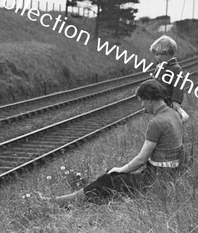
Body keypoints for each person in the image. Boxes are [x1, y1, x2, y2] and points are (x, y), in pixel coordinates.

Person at [39, 79, 184, 205]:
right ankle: (87, 199)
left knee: (108, 178)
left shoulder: (156, 123)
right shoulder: (174, 114)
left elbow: (141, 159)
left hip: (155, 179)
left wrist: (122, 169)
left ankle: (59, 202)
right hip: (169, 174)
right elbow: (185, 117)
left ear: (150, 99)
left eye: (142, 101)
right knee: (111, 176)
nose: (142, 106)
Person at [149, 35, 190, 123]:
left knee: (169, 123)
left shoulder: (175, 68)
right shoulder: (160, 67)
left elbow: (178, 86)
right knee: (160, 122)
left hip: (168, 103)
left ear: (167, 54)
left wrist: (176, 101)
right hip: (159, 102)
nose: (155, 57)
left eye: (157, 54)